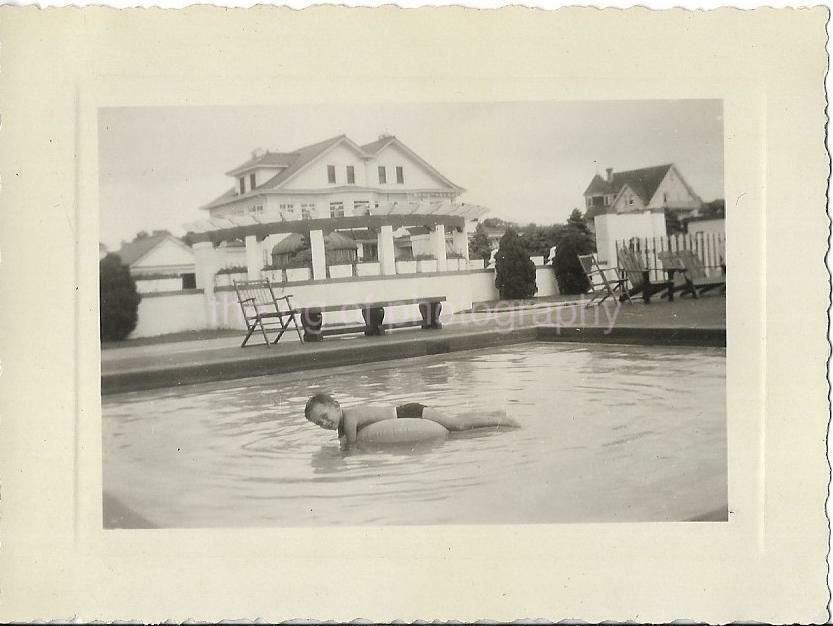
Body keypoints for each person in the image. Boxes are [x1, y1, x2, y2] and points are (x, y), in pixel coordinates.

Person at [304, 393, 520, 446]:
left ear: (336, 406)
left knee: (457, 426)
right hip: (407, 411)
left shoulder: (349, 418)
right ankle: (494, 415)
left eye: (324, 416)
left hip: (410, 412)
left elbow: (351, 447)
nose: (324, 423)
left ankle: (501, 422)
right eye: (318, 423)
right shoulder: (342, 424)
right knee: (454, 421)